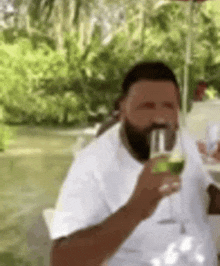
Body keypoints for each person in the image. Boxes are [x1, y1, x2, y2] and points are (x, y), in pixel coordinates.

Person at [50, 61, 220, 266]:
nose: (159, 117)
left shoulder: (182, 138)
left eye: (168, 106)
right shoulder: (94, 162)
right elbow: (62, 260)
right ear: (123, 109)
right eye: (146, 106)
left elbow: (207, 195)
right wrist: (138, 206)